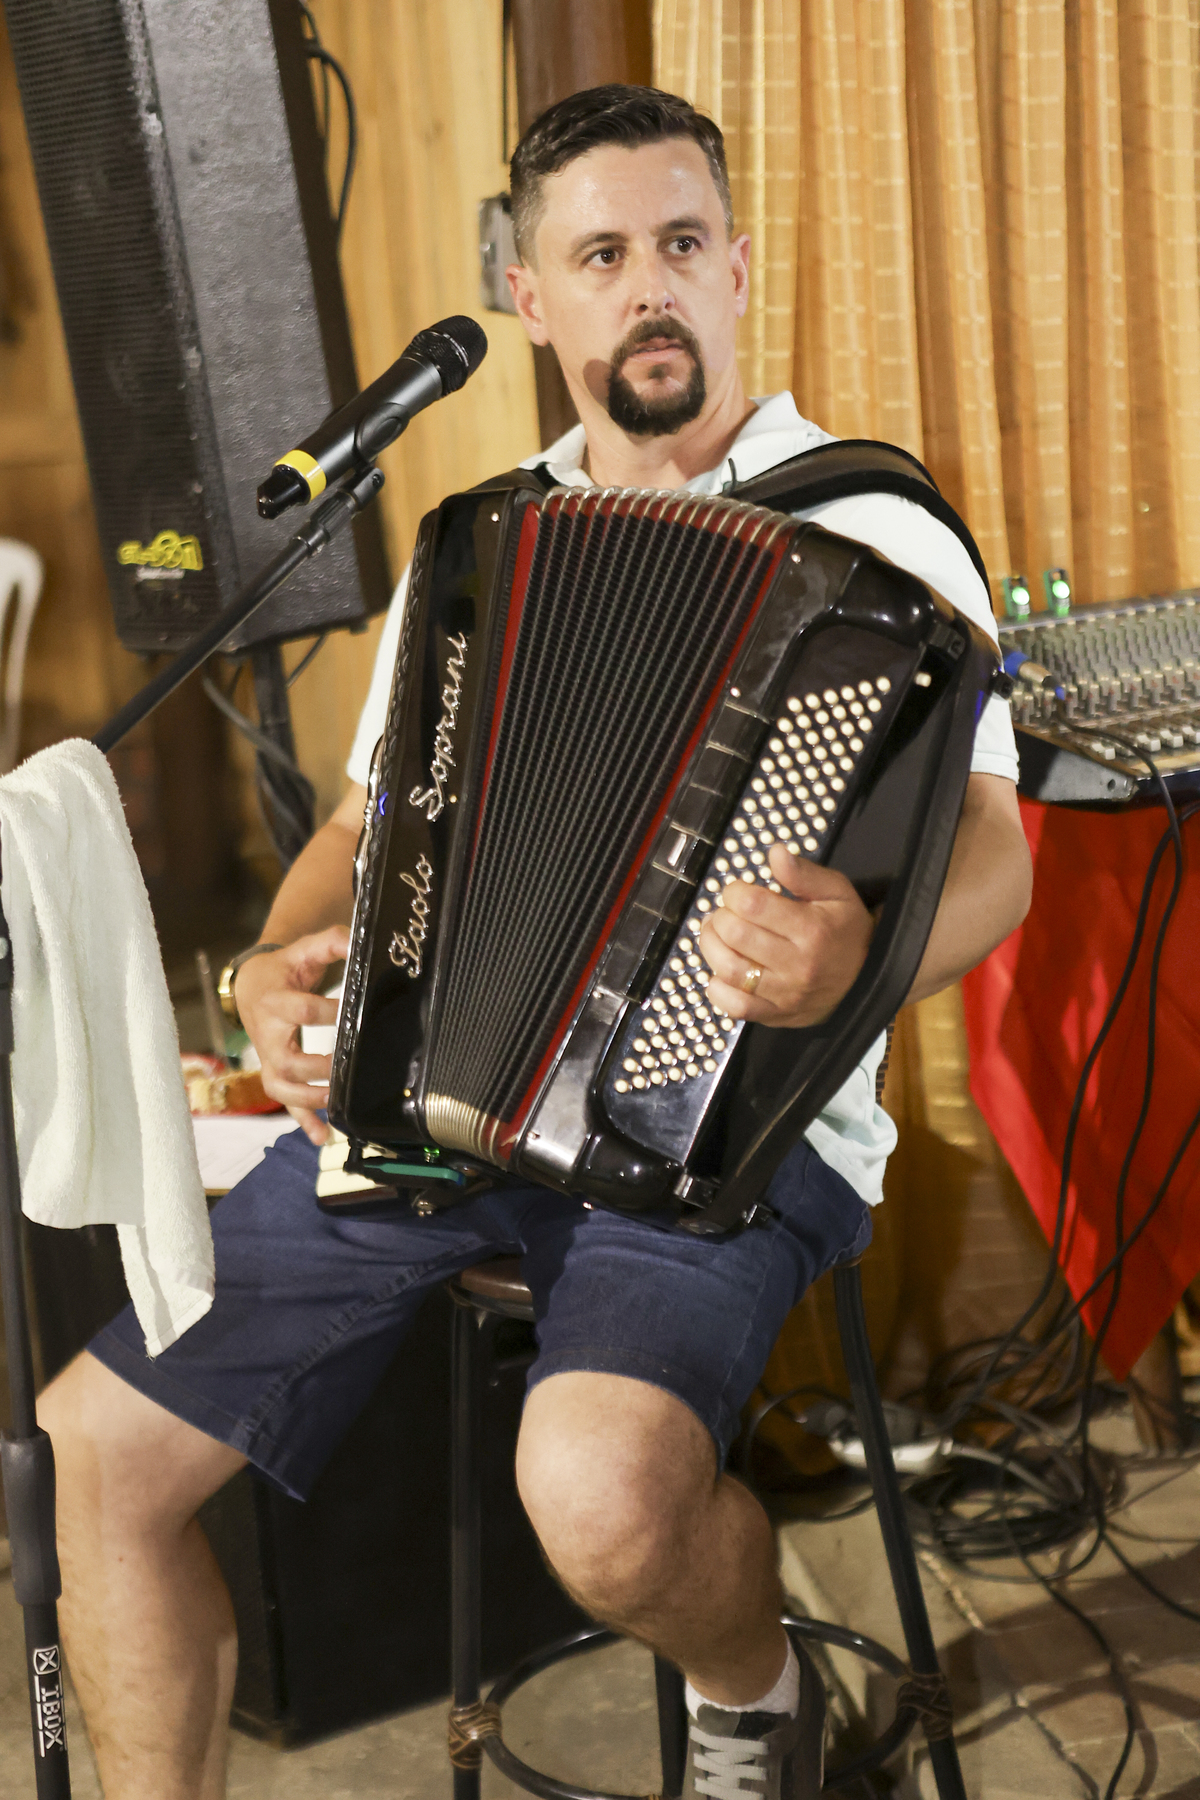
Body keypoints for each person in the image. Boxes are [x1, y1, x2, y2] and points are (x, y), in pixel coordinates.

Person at [39, 85, 1031, 1800]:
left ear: (736, 269)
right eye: (601, 255)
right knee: (86, 1458)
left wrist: (858, 960)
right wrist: (275, 966)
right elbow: (365, 831)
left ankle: (760, 1694)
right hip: (440, 1112)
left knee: (596, 1499)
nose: (649, 287)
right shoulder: (482, 548)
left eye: (680, 244)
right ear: (529, 297)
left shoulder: (877, 533)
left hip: (732, 1135)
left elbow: (1001, 855)